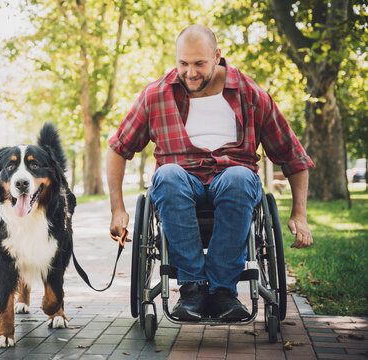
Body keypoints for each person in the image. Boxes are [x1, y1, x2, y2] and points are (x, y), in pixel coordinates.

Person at [107, 25, 314, 321]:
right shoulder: (156, 95)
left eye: (199, 63)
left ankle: (223, 291)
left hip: (233, 181)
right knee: (167, 175)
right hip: (180, 183)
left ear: (217, 56)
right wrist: (117, 209)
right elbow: (118, 147)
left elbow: (292, 155)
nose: (190, 72)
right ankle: (192, 288)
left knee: (239, 177)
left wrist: (300, 214)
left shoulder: (250, 94)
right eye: (183, 63)